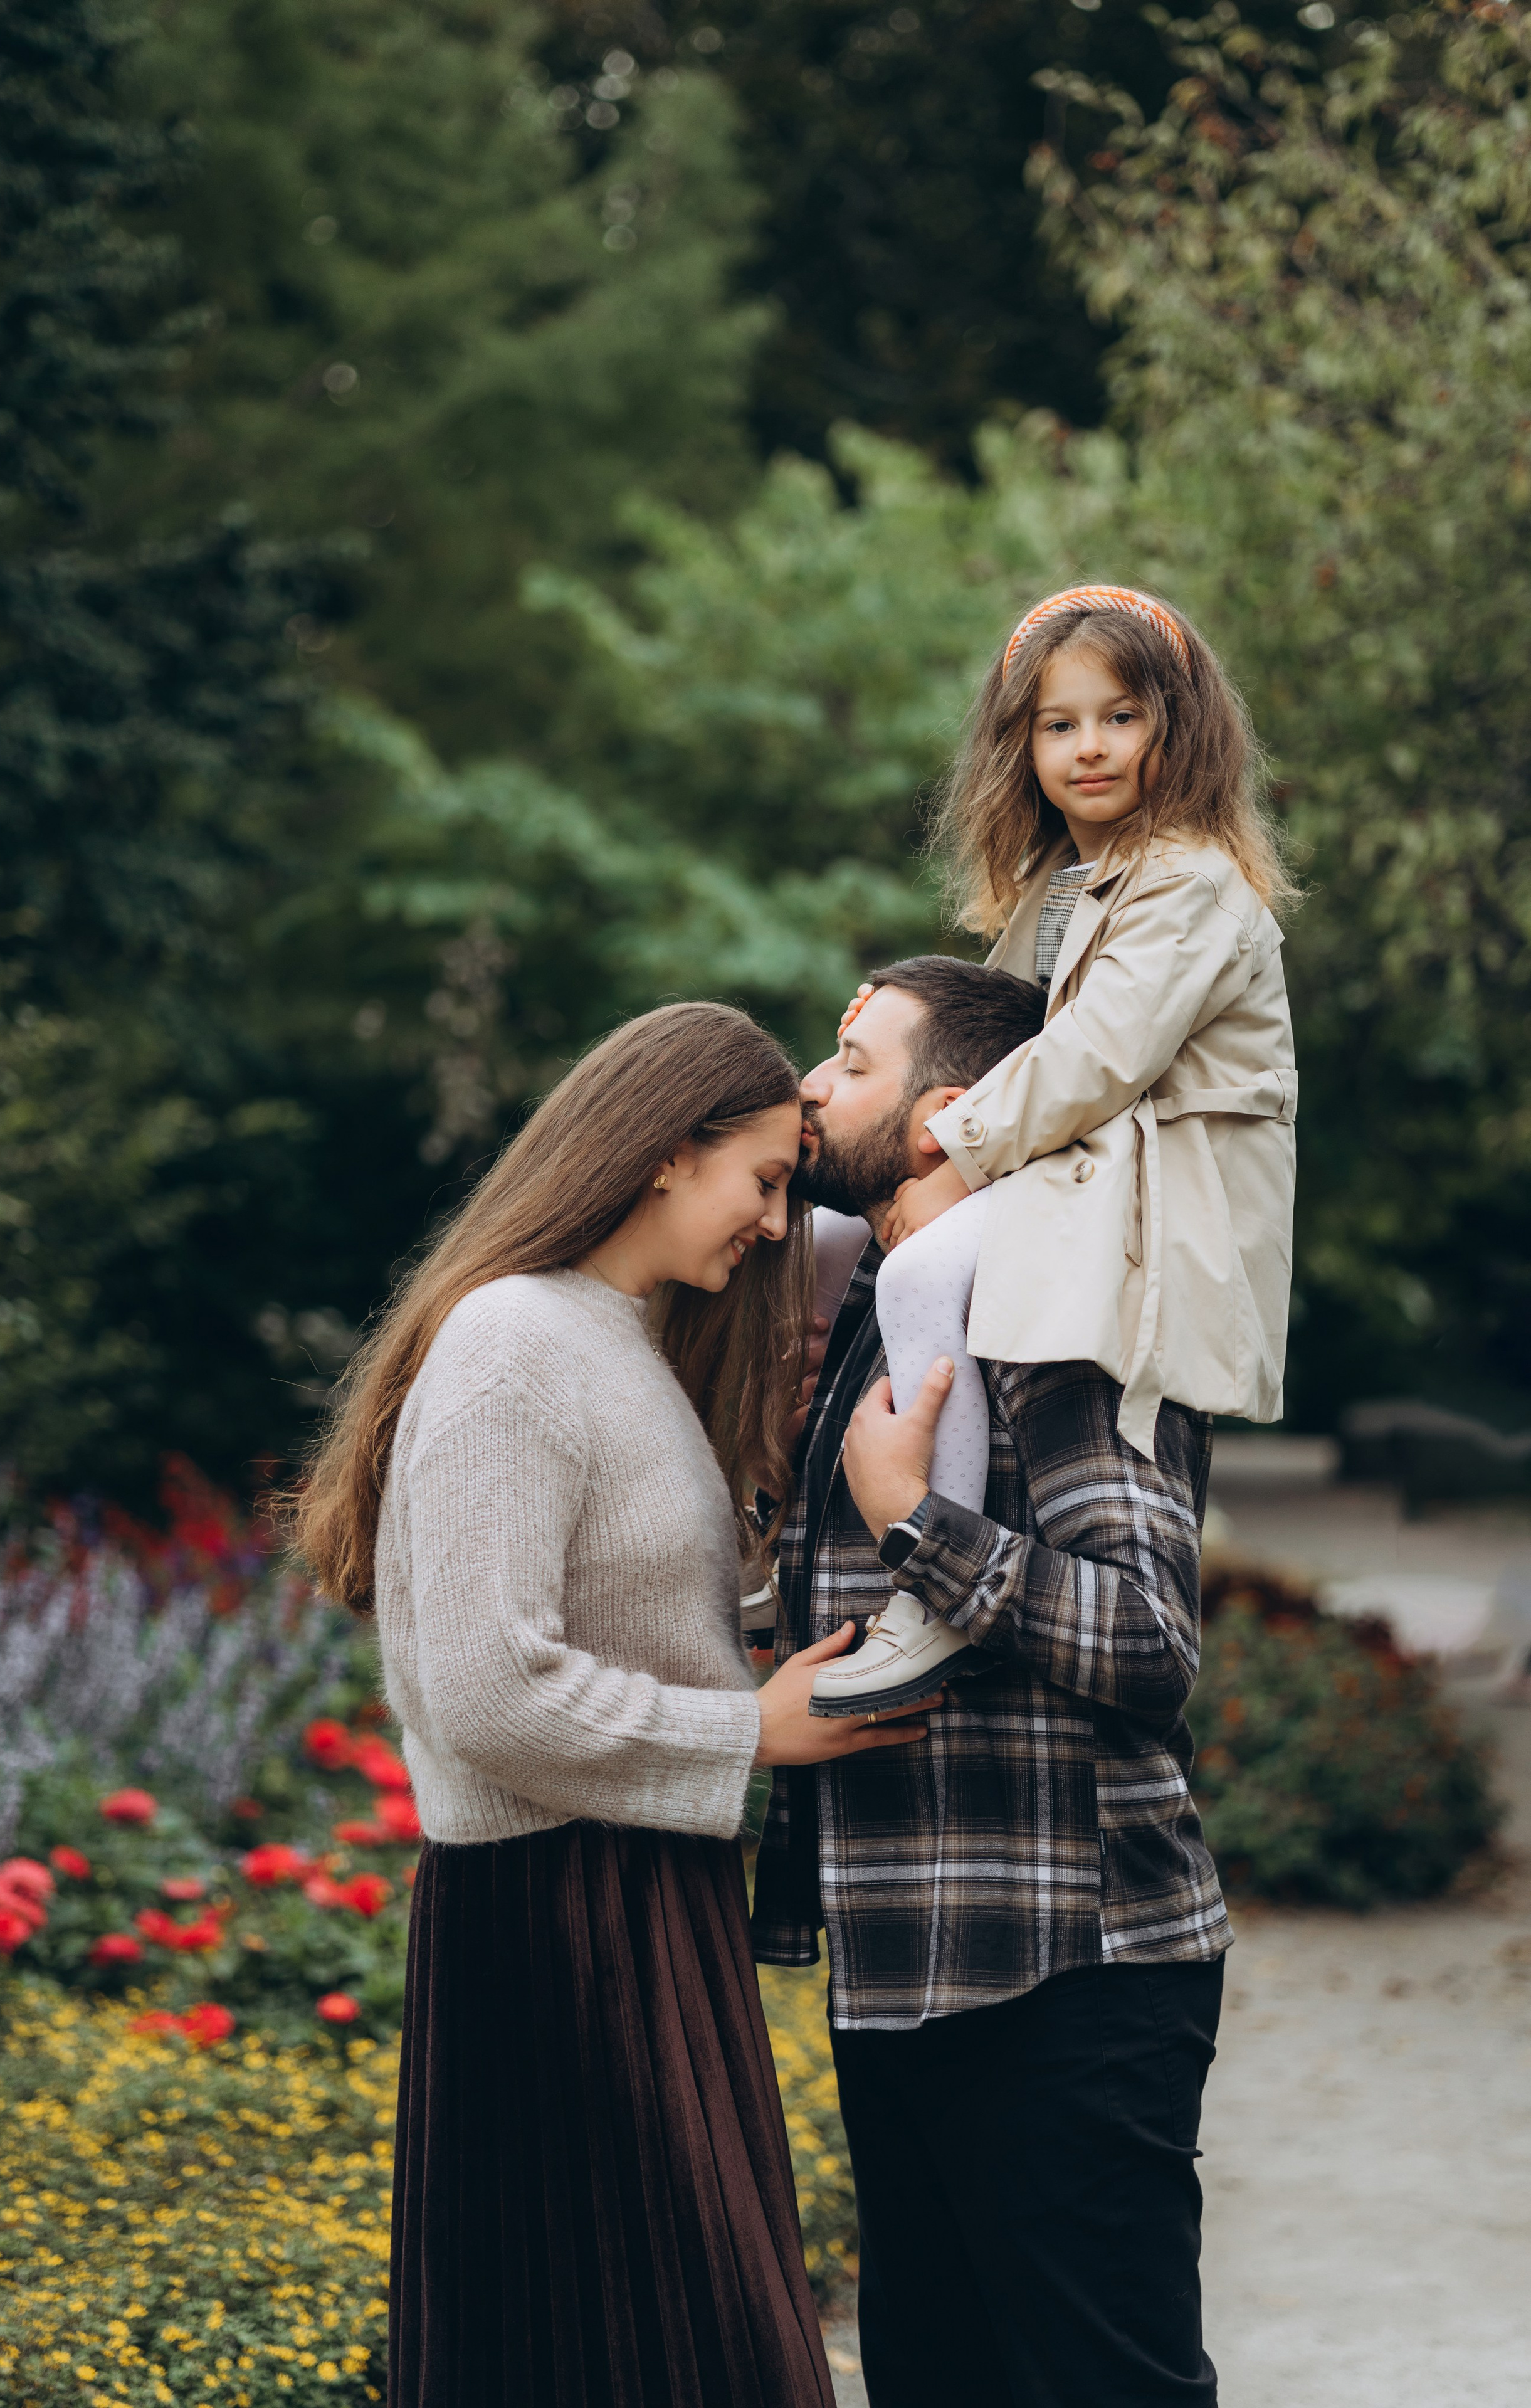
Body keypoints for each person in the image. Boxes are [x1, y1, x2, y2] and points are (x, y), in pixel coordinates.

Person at [291, 1001, 939, 2408]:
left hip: (641, 1901)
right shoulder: (510, 1341)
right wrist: (746, 1733)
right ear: (661, 1152)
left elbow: (625, 1623)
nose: (775, 1225)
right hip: (554, 1922)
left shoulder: (617, 1341)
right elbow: (477, 1684)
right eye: (762, 1180)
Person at [752, 953, 1234, 2407]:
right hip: (905, 1960)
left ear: (942, 1114)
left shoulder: (1056, 1308)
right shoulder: (881, 1311)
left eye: (847, 1062)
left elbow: (1152, 1645)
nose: (806, 1086)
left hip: (1062, 1975)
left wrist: (918, 1525)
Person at [806, 583, 1298, 1718]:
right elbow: (996, 1033)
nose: (1090, 748)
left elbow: (1093, 1059)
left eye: (1120, 717)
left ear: (1179, 729)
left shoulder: (1193, 886)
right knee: (821, 1226)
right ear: (1019, 744)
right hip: (1071, 1175)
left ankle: (933, 1575)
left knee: (922, 1266)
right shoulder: (1054, 893)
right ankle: (767, 1502)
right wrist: (903, 1006)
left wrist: (945, 1153)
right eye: (1057, 723)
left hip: (1151, 1210)